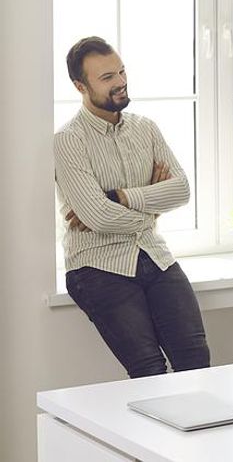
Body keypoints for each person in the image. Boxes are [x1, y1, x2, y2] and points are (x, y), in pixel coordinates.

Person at [54, 36, 209, 378]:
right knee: (149, 372)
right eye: (107, 77)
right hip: (96, 267)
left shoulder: (145, 128)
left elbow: (181, 190)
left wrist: (121, 197)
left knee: (196, 364)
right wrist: (152, 206)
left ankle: (195, 433)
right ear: (80, 86)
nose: (121, 82)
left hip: (155, 255)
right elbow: (96, 215)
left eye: (121, 71)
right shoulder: (69, 140)